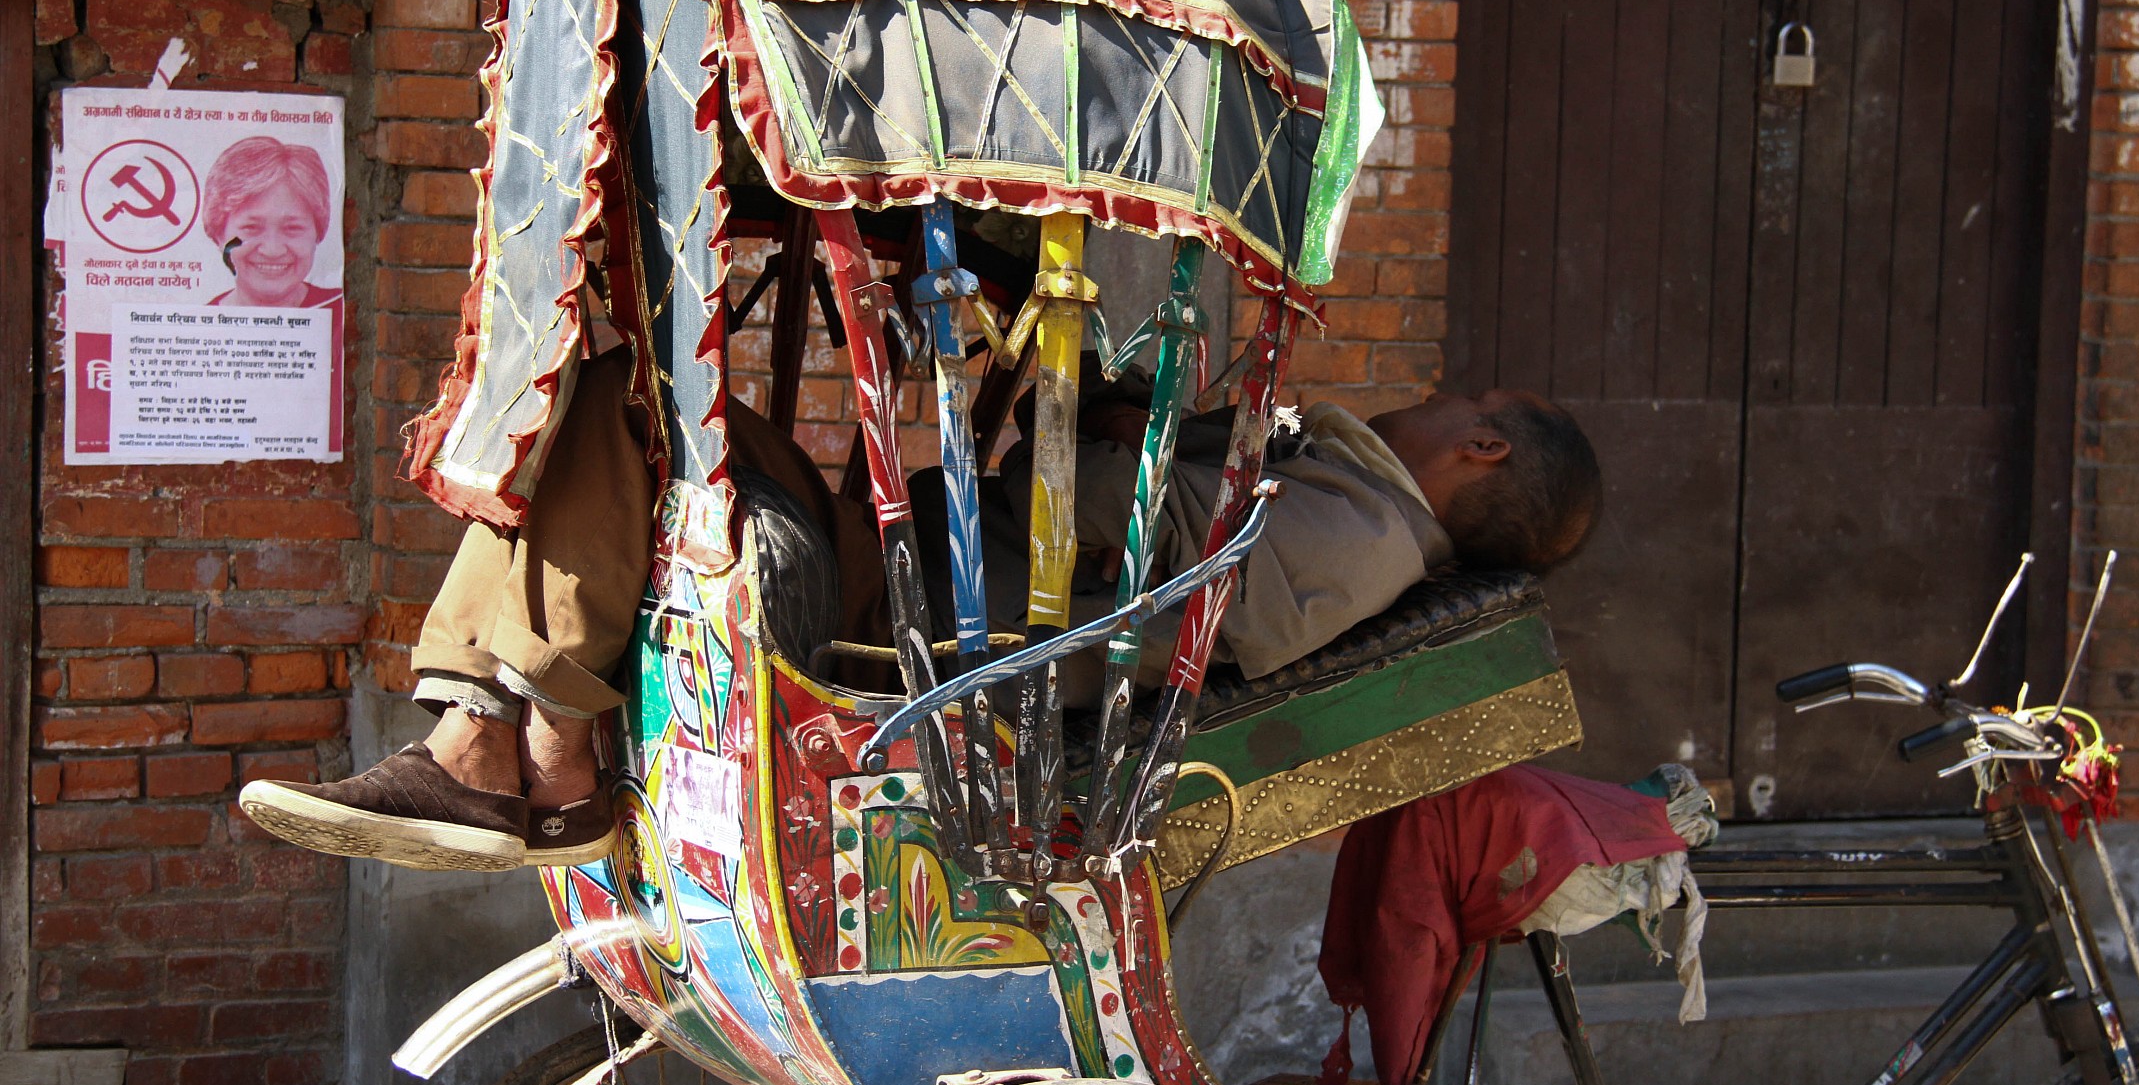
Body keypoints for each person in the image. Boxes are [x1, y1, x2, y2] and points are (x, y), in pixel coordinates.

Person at [239, 275, 1601, 874]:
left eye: (1461, 397)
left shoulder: (1353, 534)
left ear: (1481, 446)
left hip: (922, 627)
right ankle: (520, 737)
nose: (1433, 396)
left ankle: (511, 745)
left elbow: (1168, 567)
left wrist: (1123, 402)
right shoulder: (1342, 490)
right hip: (924, 575)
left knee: (632, 403)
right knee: (632, 392)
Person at [199, 135, 346, 455]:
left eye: (293, 228)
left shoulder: (343, 316)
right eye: (251, 228)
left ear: (317, 233)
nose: (273, 249)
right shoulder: (198, 328)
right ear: (218, 230)